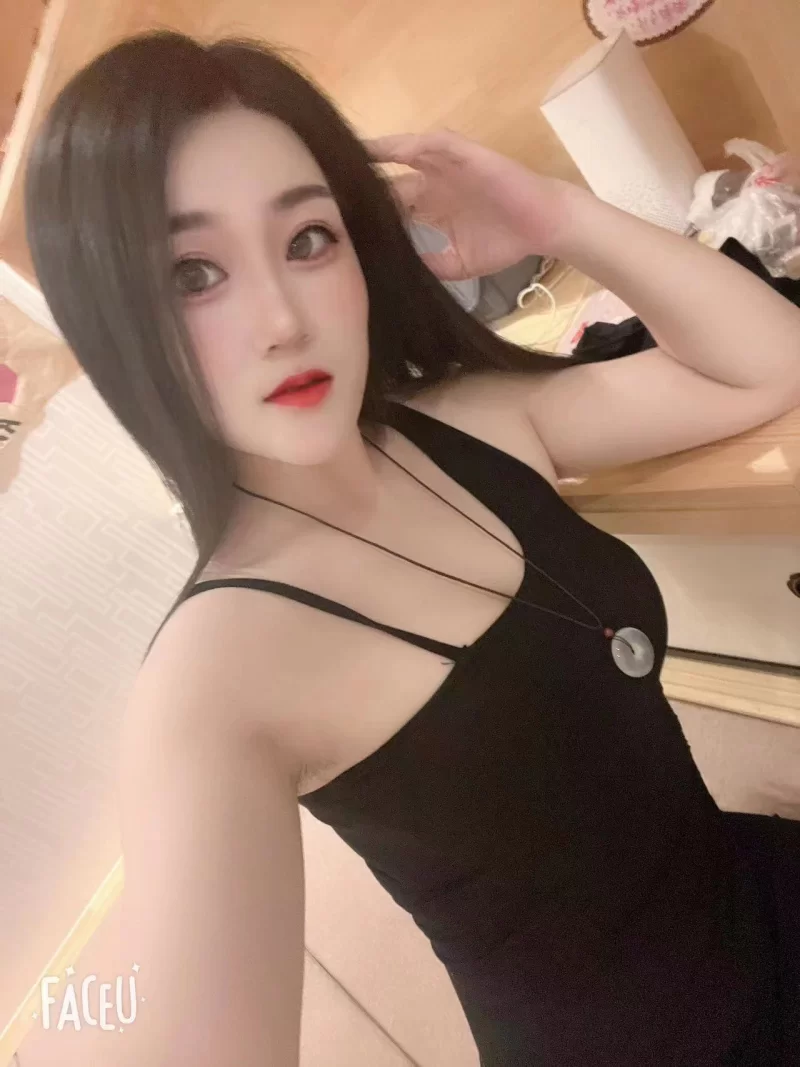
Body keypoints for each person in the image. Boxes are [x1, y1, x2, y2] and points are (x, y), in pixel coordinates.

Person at [23, 29, 800, 1067]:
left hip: (751, 893)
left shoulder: (463, 424)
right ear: (113, 318)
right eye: (193, 272)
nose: (282, 320)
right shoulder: (211, 686)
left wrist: (556, 215)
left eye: (308, 239)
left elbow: (767, 364)